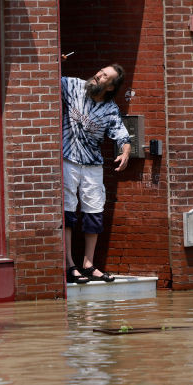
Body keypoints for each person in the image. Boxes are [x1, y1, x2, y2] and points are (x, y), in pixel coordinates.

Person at [60, 61, 131, 284]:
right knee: (68, 212)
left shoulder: (110, 109)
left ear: (110, 87)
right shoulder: (74, 86)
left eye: (103, 77)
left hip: (92, 165)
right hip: (68, 159)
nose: (97, 76)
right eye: (99, 72)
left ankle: (89, 264)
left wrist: (126, 151)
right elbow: (46, 80)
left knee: (93, 213)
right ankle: (69, 264)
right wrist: (56, 60)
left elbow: (122, 135)